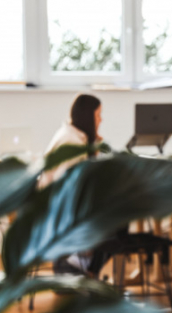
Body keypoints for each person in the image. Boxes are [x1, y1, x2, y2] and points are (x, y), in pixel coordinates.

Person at [41, 94, 111, 277]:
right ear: (89, 117)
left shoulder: (75, 136)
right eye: (98, 115)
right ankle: (81, 268)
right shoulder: (70, 141)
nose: (101, 120)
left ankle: (82, 267)